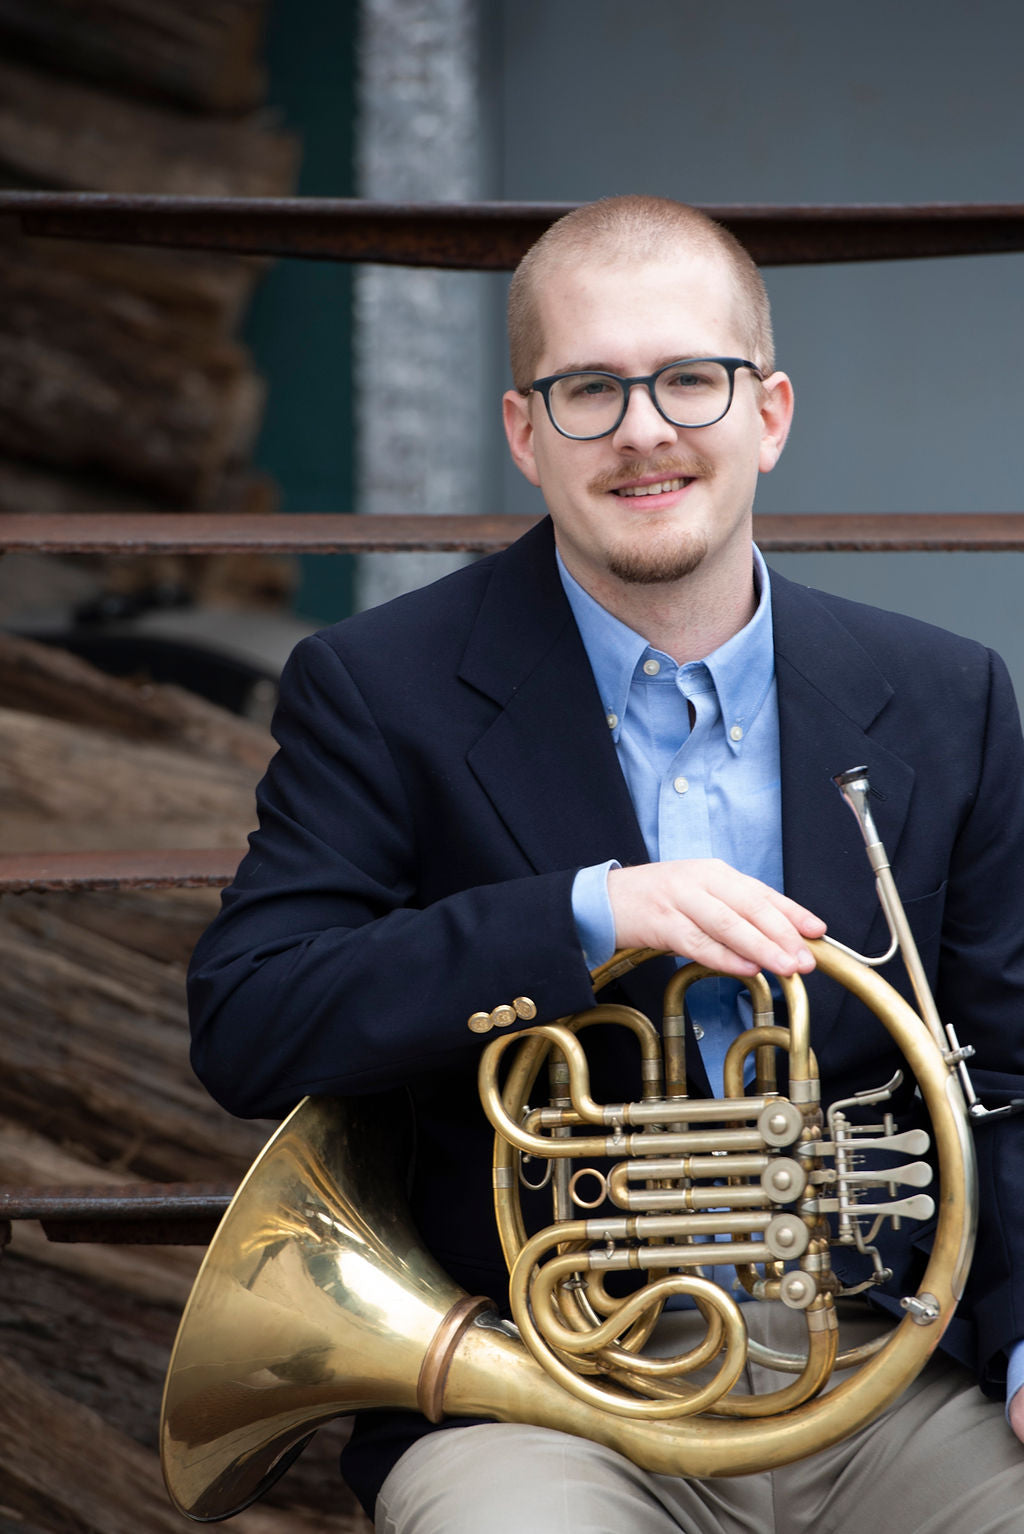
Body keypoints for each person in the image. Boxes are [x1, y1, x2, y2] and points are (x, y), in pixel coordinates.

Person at [187, 195, 1024, 1533]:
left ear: (770, 413)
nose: (644, 429)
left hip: (891, 1376)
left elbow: (1013, 1070)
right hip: (541, 1398)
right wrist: (585, 914)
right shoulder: (381, 689)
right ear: (526, 432)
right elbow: (250, 1015)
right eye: (589, 389)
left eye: (691, 378)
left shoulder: (946, 697)